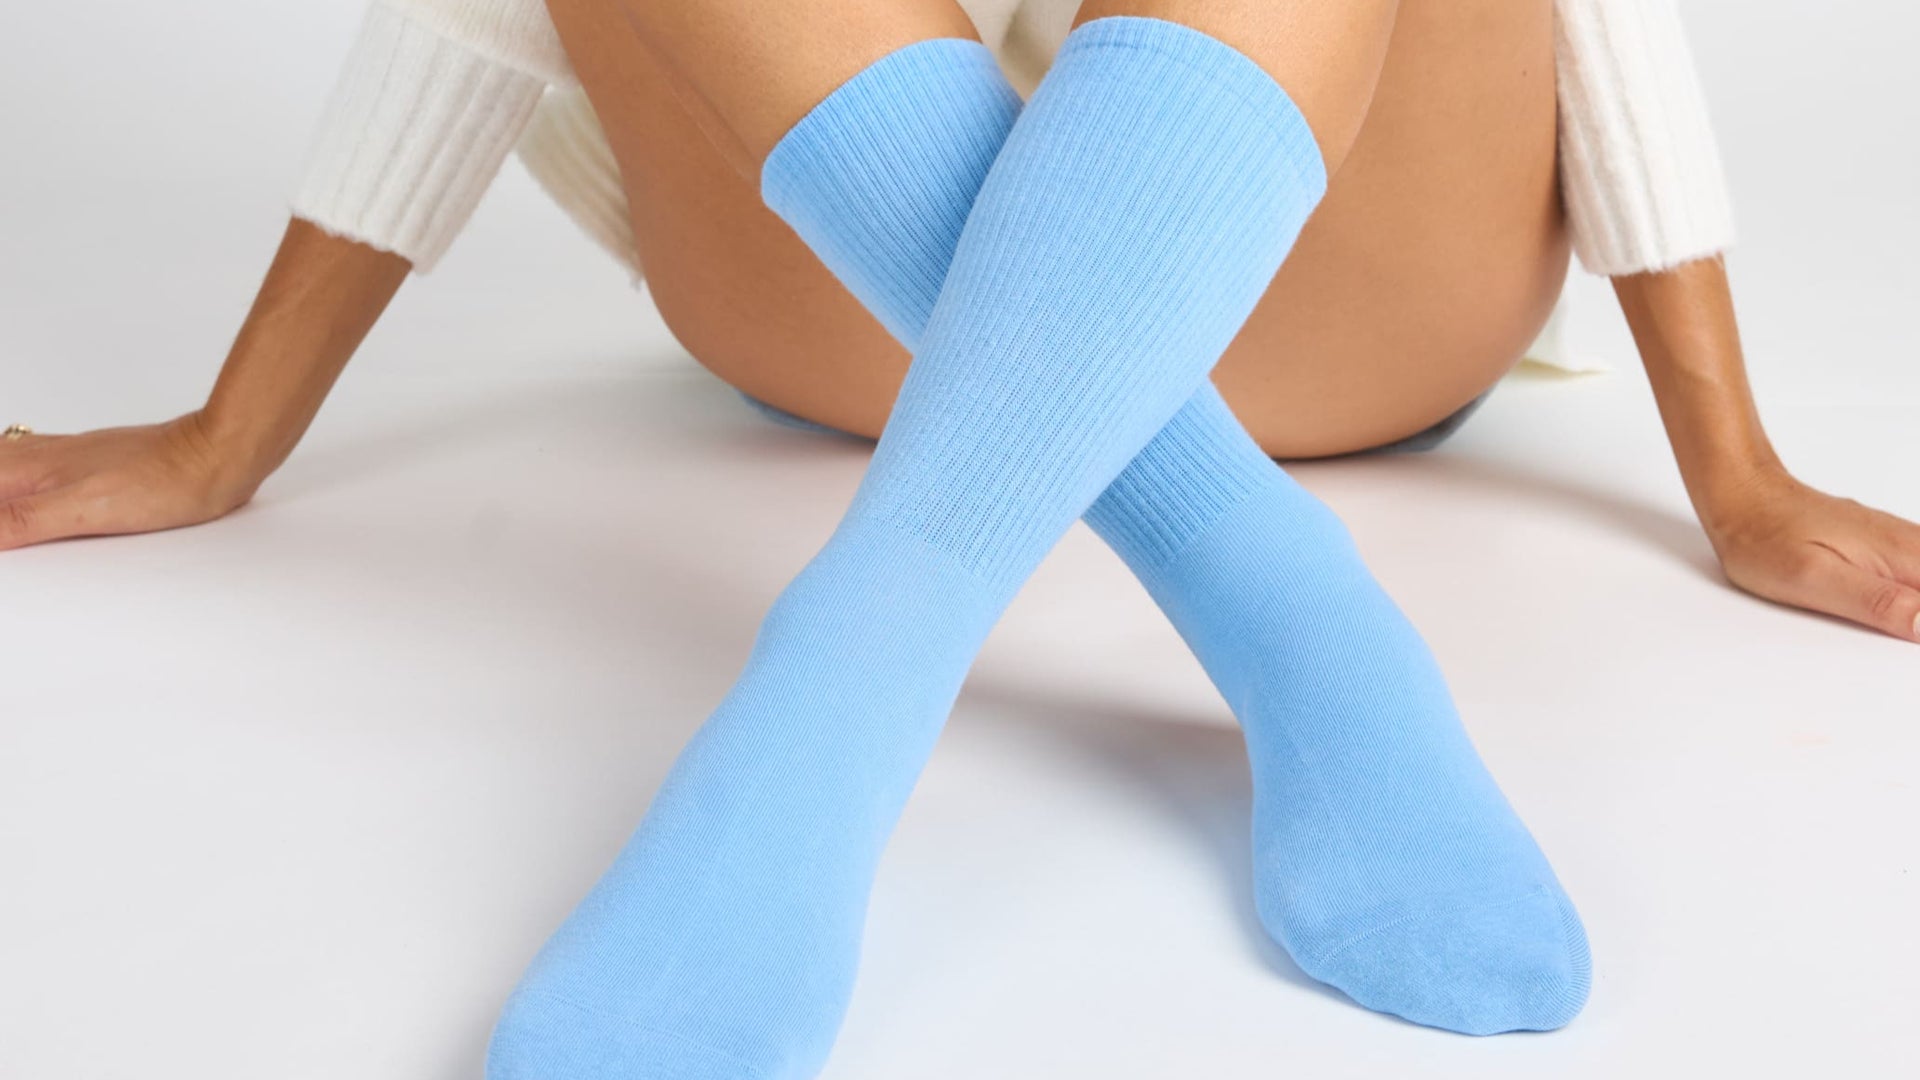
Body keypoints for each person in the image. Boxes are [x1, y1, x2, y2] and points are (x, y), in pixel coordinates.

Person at [2, 0, 1916, 1071]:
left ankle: (898, 655)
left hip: (1335, 287)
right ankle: (1269, 597)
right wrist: (228, 431)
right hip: (841, 290)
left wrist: (1736, 471)